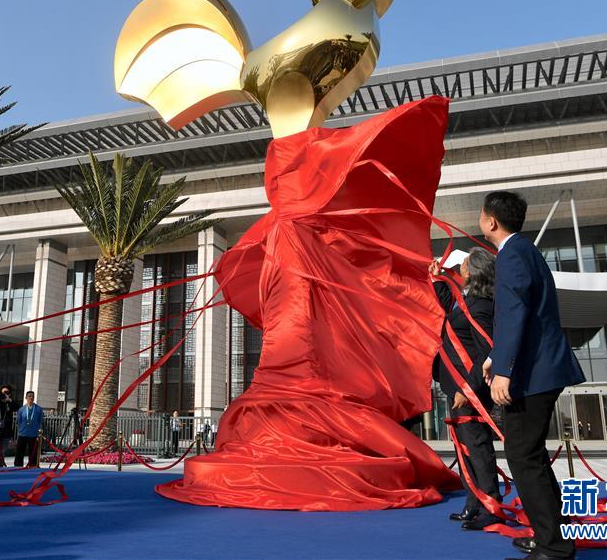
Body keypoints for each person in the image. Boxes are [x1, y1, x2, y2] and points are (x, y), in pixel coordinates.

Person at [156, 97, 461, 509]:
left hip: (297, 249)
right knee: (293, 326)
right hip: (289, 252)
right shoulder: (290, 212)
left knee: (302, 328)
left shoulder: (304, 203)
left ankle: (306, 394)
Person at [479, 191, 585, 560]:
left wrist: (504, 370)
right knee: (531, 454)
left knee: (522, 455)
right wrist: (495, 357)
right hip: (538, 368)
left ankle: (553, 546)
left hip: (532, 373)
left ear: (491, 221)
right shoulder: (525, 250)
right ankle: (551, 536)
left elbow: (514, 312)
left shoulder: (511, 254)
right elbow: (523, 314)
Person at [430, 248, 500, 531]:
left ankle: (491, 505)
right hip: (456, 386)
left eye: (465, 263)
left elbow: (485, 352)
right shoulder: (467, 300)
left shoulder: (481, 305)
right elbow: (452, 312)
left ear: (473, 271)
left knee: (477, 446)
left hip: (470, 390)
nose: (460, 266)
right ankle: (473, 503)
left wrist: (468, 388)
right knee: (463, 448)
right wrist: (436, 280)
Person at [14, 391, 43, 467]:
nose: (31, 397)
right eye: (29, 396)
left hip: (33, 434)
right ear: (26, 397)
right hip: (22, 433)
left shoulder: (38, 409)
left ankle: (33, 466)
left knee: (33, 452)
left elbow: (40, 421)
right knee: (20, 452)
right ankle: (18, 466)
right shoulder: (21, 409)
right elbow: (19, 421)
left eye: (32, 396)